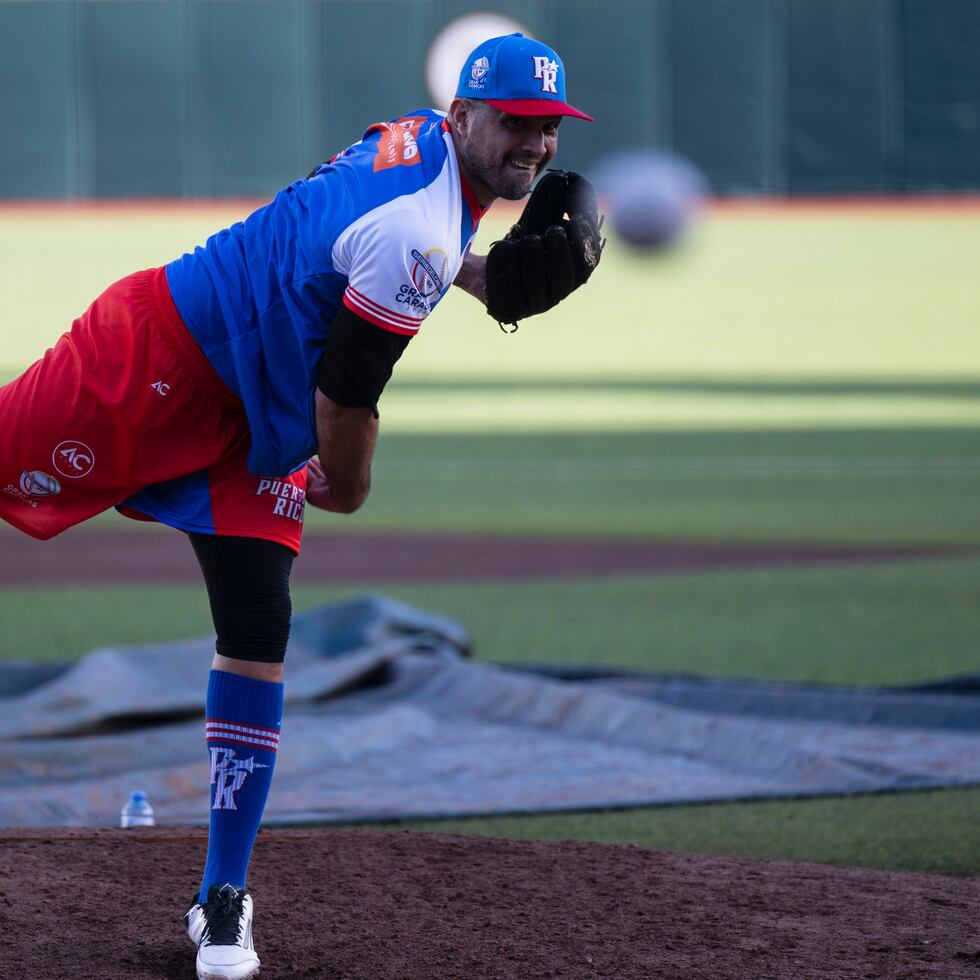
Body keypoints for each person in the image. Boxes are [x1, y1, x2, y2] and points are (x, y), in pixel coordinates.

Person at [0, 32, 600, 980]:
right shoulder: (427, 229)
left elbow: (368, 247)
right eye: (515, 122)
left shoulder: (419, 151)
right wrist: (350, 489)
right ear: (462, 118)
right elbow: (347, 398)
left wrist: (482, 278)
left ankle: (222, 899)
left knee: (257, 624)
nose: (534, 142)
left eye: (549, 125)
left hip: (254, 418)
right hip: (157, 359)